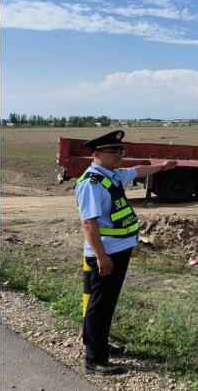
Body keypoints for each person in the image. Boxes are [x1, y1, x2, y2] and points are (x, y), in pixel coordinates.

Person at [75, 130, 176, 374]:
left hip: (117, 250)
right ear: (97, 155)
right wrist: (101, 257)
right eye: (115, 152)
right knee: (101, 304)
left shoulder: (112, 175)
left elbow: (137, 171)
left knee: (106, 303)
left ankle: (98, 343)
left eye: (121, 151)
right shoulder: (91, 183)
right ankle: (95, 360)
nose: (120, 156)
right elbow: (88, 223)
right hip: (107, 253)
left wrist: (162, 167)